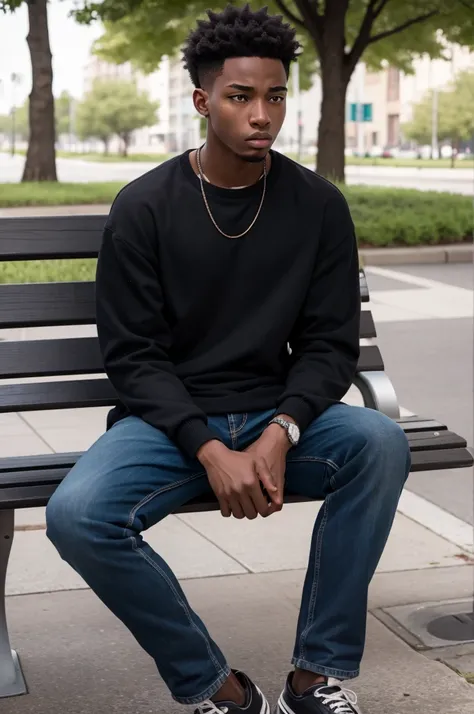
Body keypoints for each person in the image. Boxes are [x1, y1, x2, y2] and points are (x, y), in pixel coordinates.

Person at [46, 5, 411, 714]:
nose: (261, 115)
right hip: (169, 427)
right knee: (77, 515)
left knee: (379, 441)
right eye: (241, 97)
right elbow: (134, 356)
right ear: (202, 100)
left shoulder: (317, 205)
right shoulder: (146, 207)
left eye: (274, 95)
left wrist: (283, 431)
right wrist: (209, 447)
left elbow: (330, 344)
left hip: (274, 412)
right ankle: (218, 688)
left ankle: (315, 678)